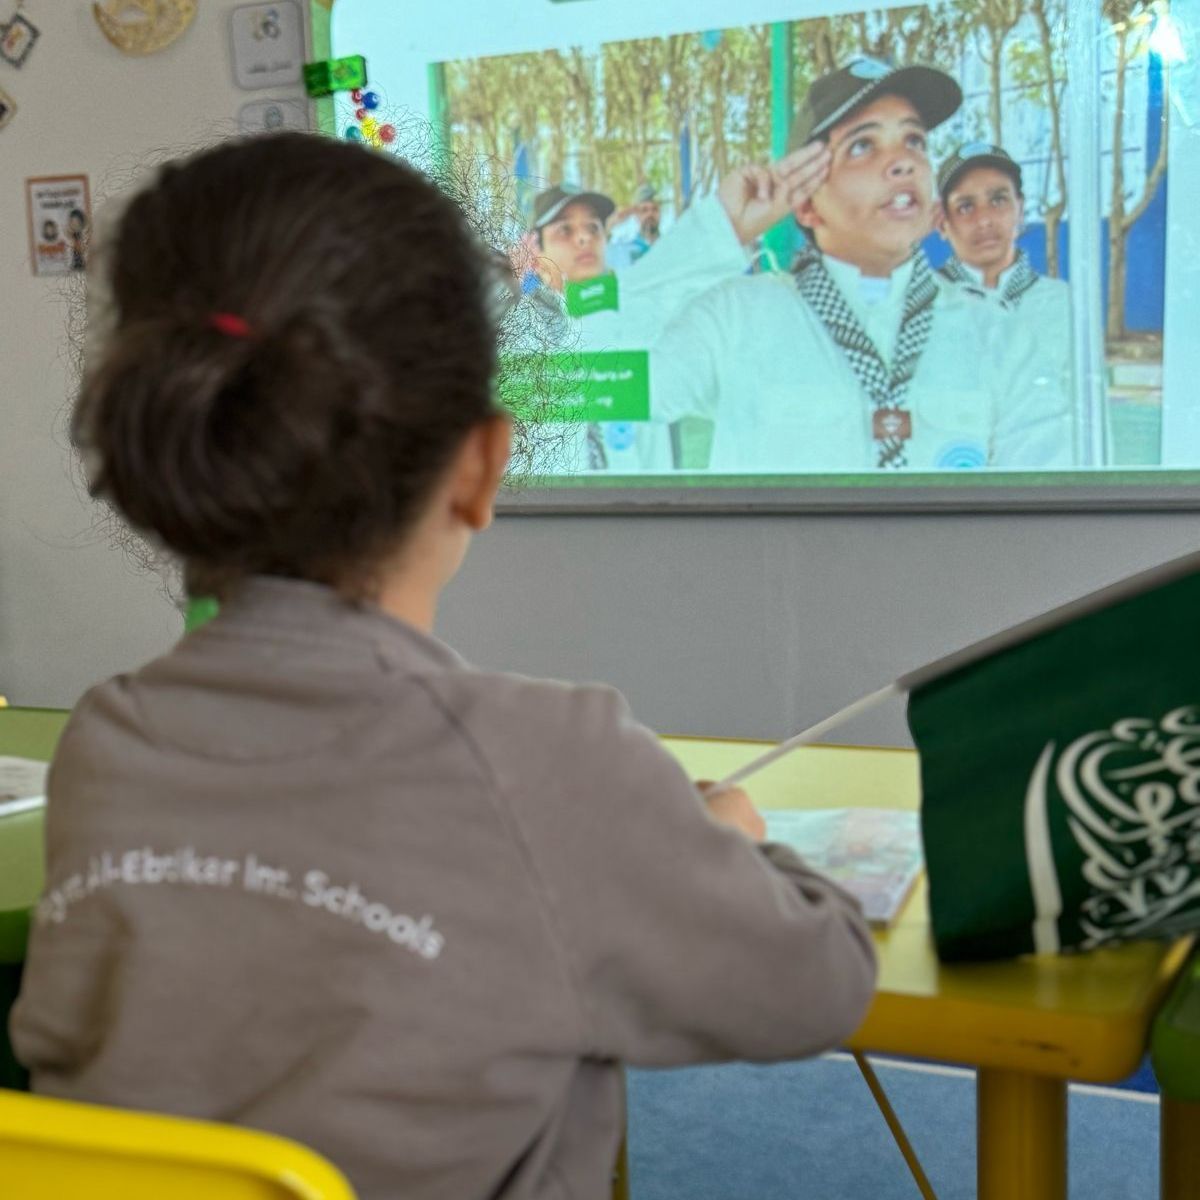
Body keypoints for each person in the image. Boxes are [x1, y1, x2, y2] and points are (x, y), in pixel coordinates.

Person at [9, 133, 876, 1200]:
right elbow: (821, 983)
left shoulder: (106, 748)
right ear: (482, 467)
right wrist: (733, 845)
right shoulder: (550, 765)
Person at [650, 58, 1075, 473]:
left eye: (914, 142)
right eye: (862, 145)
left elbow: (1043, 505)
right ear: (806, 204)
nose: (903, 161)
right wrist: (715, 235)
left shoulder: (995, 337)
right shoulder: (736, 320)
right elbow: (592, 387)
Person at [524, 149, 830, 473]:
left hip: (645, 511)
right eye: (564, 231)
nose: (584, 237)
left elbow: (677, 271)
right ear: (537, 249)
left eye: (594, 228)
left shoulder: (642, 304)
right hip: (557, 516)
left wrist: (726, 222)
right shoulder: (520, 331)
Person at [935, 141, 1071, 414]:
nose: (984, 220)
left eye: (998, 200)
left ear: (1020, 210)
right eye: (965, 206)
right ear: (943, 224)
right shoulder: (923, 302)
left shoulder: (1062, 304)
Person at [607, 182, 661, 269]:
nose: (650, 214)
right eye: (644, 210)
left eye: (655, 209)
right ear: (636, 215)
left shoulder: (668, 245)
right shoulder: (623, 248)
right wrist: (619, 217)